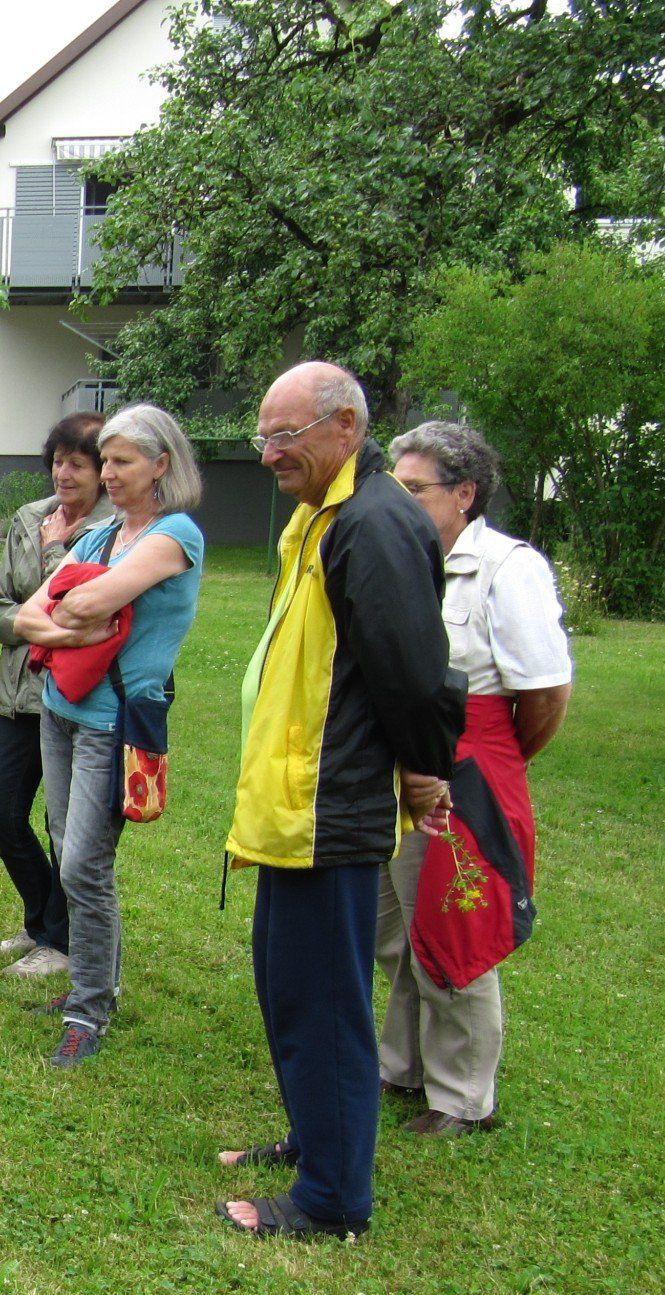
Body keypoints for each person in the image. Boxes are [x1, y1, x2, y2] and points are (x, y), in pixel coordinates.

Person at [218, 363, 465, 1240]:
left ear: (347, 427)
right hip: (292, 806)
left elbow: (412, 673)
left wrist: (427, 768)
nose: (272, 453)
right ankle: (315, 1137)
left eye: (288, 435)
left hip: (334, 806)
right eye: (264, 437)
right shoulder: (324, 514)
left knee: (324, 1002)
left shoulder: (374, 523)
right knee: (289, 988)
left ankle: (331, 1200)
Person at [374, 421, 572, 1136]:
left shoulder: (506, 566)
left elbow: (545, 693)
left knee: (455, 927)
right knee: (396, 929)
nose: (401, 498)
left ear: (464, 494)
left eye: (415, 487)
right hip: (404, 762)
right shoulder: (404, 556)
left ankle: (461, 1098)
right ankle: (402, 1065)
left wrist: (484, 764)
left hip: (467, 770)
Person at [12, 405, 205, 1066]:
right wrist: (75, 622)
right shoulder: (101, 538)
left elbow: (84, 602)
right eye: (107, 460)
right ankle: (96, 986)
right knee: (69, 845)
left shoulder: (176, 535)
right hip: (62, 708)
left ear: (162, 464)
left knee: (82, 864)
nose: (107, 473)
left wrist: (77, 610)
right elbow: (31, 619)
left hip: (113, 723)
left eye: (122, 461)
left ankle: (88, 1009)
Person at [0, 412, 115, 980]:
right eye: (57, 461)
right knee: (0, 813)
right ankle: (40, 920)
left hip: (72, 697)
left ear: (103, 473)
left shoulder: (114, 529)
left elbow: (84, 608)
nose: (63, 473)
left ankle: (59, 943)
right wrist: (41, 624)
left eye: (76, 464)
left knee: (68, 828)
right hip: (21, 694)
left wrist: (57, 564)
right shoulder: (27, 517)